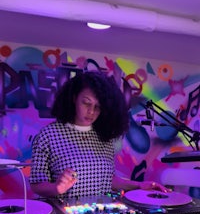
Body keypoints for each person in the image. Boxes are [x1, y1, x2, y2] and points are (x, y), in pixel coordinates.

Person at [29, 70, 168, 198]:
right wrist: (56, 188)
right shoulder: (48, 136)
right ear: (74, 98)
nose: (91, 111)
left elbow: (108, 179)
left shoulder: (104, 135)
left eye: (98, 107)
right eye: (86, 103)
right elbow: (36, 185)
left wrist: (139, 185)